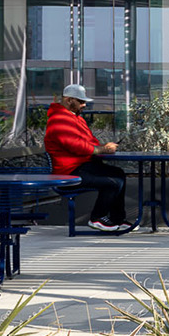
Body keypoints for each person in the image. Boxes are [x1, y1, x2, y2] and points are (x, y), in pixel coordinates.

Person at [45, 84, 127, 232]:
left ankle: (117, 219)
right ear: (69, 100)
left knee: (118, 173)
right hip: (69, 172)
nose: (84, 105)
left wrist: (103, 148)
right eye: (81, 101)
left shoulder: (76, 118)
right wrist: (101, 149)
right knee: (113, 182)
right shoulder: (58, 120)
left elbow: (90, 141)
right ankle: (97, 218)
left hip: (82, 166)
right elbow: (75, 145)